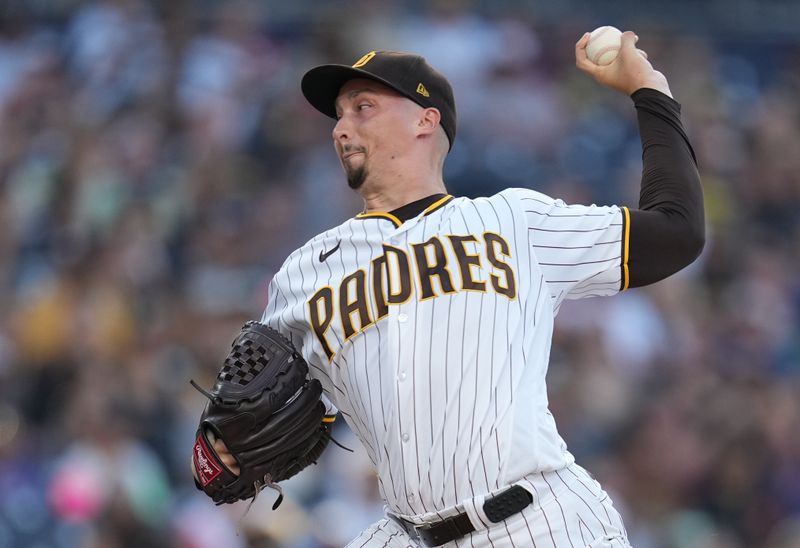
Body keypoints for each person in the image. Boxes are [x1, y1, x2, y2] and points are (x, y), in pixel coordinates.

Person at [202, 31, 704, 547]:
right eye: (340, 115)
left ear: (426, 119)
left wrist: (650, 89)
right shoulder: (301, 275)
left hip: (541, 521)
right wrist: (221, 449)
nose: (342, 128)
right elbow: (256, 410)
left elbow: (677, 231)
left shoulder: (514, 221)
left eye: (363, 107)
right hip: (406, 533)